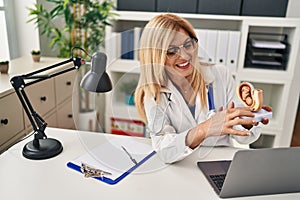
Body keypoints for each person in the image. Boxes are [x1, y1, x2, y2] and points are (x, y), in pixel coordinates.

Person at [134, 13, 272, 164]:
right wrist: (205, 129)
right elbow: (164, 151)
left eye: (187, 45)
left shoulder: (220, 74)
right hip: (182, 165)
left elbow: (243, 137)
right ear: (155, 57)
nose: (185, 56)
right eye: (172, 51)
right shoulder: (152, 94)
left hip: (220, 161)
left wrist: (247, 120)